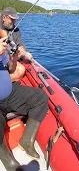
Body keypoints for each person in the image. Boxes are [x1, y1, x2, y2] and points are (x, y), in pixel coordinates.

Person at [0, 37, 48, 171]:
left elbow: (10, 69)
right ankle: (7, 159)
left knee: (40, 97)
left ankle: (26, 141)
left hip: (9, 92)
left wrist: (13, 59)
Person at [0, 7, 33, 82]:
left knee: (21, 70)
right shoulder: (1, 28)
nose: (14, 21)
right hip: (2, 59)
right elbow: (4, 36)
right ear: (4, 17)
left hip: (11, 59)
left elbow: (20, 45)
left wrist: (25, 54)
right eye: (12, 19)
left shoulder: (16, 30)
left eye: (15, 19)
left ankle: (4, 82)